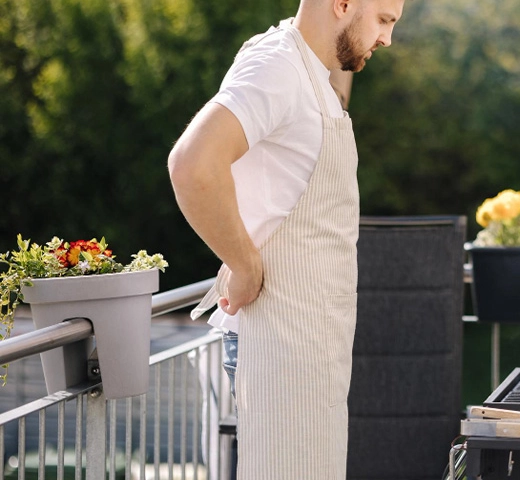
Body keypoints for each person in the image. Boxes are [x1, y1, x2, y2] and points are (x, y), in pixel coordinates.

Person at [167, 0, 404, 477]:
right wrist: (246, 264)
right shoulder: (276, 67)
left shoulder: (311, 71)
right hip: (277, 351)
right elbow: (193, 165)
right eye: (384, 20)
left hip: (313, 352)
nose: (387, 39)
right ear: (342, 4)